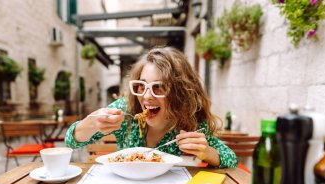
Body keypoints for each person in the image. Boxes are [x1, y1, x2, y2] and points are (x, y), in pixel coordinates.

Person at [65, 47, 237, 168]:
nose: (147, 96)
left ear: (180, 93)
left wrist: (207, 152)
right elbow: (70, 142)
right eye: (142, 86)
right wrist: (92, 123)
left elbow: (231, 160)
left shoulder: (190, 120)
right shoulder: (126, 110)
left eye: (159, 87)